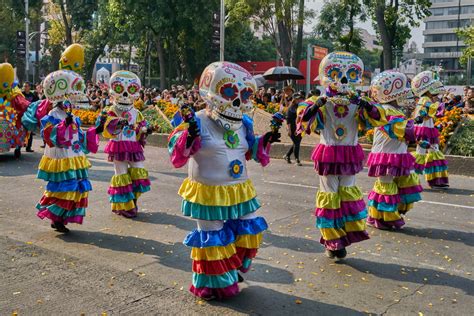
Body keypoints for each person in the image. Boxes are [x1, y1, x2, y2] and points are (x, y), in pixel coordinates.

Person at [168, 62, 280, 300]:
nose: (238, 101)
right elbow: (176, 152)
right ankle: (213, 285)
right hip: (208, 192)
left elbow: (252, 150)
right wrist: (188, 136)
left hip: (239, 190)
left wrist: (267, 138)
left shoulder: (244, 124)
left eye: (245, 95)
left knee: (250, 232)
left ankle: (232, 267)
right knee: (214, 241)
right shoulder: (196, 120)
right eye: (230, 93)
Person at [298, 52, 376, 260]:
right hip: (329, 153)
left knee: (348, 195)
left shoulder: (358, 101)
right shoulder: (320, 100)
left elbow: (376, 117)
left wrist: (363, 103)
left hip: (349, 153)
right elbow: (303, 117)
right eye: (336, 73)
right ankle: (333, 241)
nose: (342, 80)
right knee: (329, 196)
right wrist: (319, 103)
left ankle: (345, 235)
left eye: (348, 74)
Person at [33, 70, 104, 233]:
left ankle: (60, 218)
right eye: (67, 99)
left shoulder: (71, 116)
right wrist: (63, 124)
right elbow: (49, 136)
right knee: (64, 189)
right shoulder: (52, 114)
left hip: (74, 157)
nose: (70, 102)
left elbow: (79, 137)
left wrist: (96, 130)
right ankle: (55, 218)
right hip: (61, 158)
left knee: (77, 189)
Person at [366, 71, 422, 230]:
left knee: (403, 182)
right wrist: (414, 124)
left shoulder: (394, 110)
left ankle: (388, 214)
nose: (407, 95)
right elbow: (397, 129)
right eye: (404, 91)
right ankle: (381, 218)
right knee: (386, 185)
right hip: (385, 155)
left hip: (397, 154)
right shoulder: (384, 110)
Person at [102, 71, 152, 218]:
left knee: (139, 173)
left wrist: (145, 130)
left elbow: (139, 129)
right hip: (118, 146)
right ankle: (126, 206)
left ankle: (133, 200)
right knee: (121, 175)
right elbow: (107, 129)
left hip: (132, 146)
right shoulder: (111, 110)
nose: (124, 94)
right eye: (120, 89)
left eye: (130, 90)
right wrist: (117, 123)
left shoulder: (136, 112)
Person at [411, 71, 449, 188]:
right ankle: (412, 181)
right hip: (423, 129)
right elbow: (424, 114)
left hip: (429, 128)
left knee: (434, 152)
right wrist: (437, 106)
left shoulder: (427, 99)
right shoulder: (424, 100)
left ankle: (437, 179)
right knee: (421, 154)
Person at [0, 63, 30, 158]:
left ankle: (18, 149)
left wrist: (31, 107)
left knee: (17, 129)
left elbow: (22, 104)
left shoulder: (15, 92)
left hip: (13, 119)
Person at [284, 93, 305, 166]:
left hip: (299, 127)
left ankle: (287, 155)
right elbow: (288, 120)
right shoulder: (290, 108)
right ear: (294, 99)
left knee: (296, 143)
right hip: (292, 128)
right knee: (297, 143)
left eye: (300, 98)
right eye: (297, 98)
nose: (299, 100)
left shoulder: (300, 107)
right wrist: (289, 130)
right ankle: (297, 159)